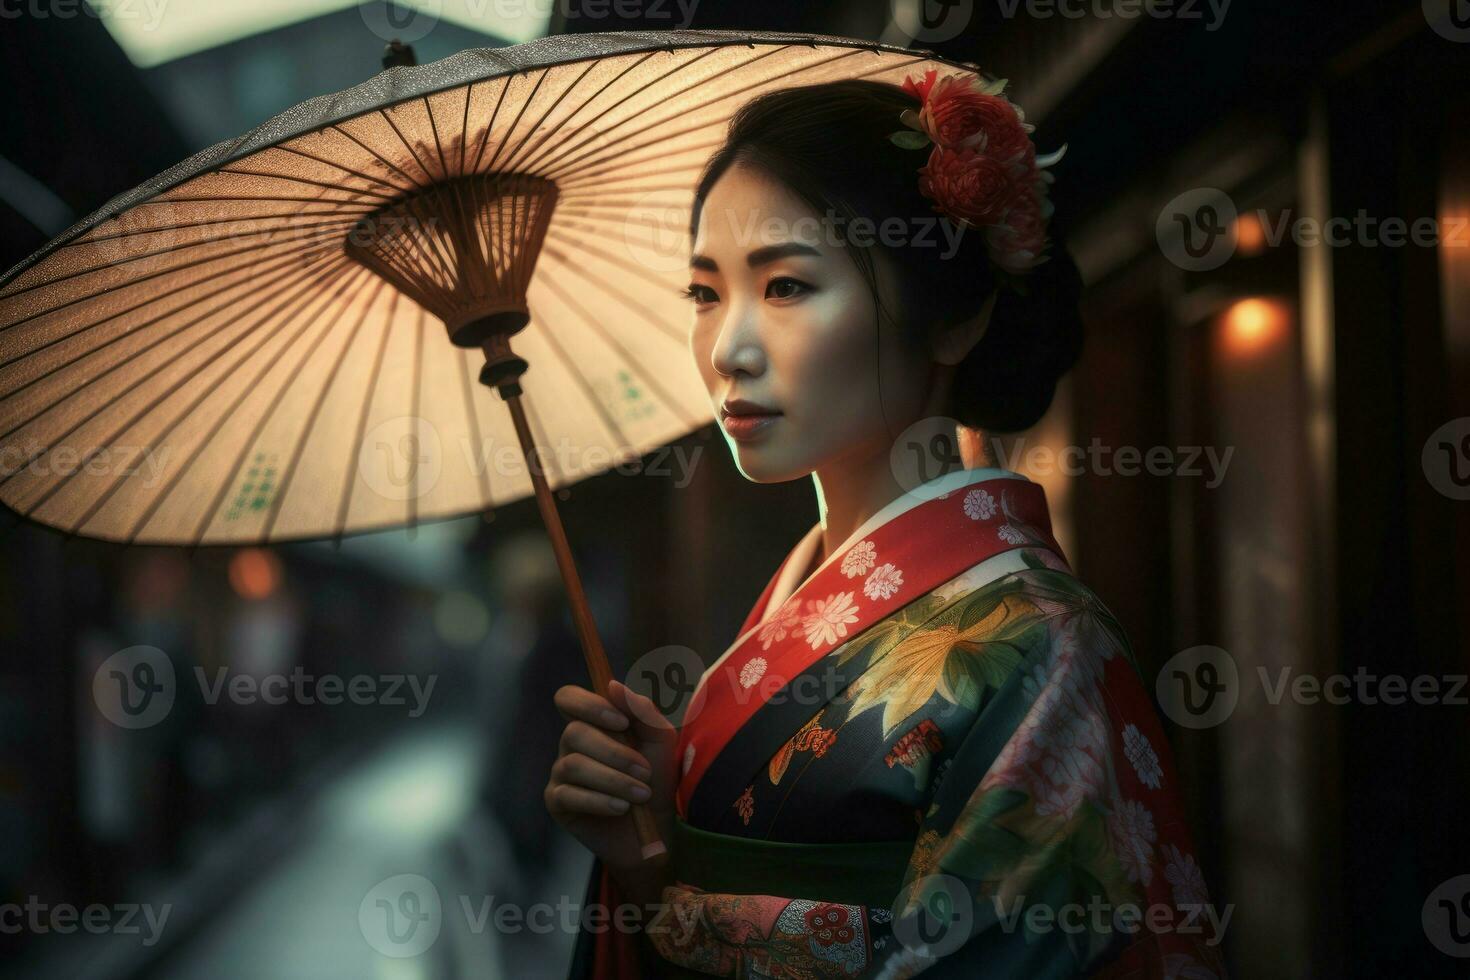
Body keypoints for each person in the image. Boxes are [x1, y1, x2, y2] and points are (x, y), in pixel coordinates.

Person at [547, 71, 1229, 978]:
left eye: (786, 285)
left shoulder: (1046, 647)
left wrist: (679, 908)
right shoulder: (804, 603)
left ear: (953, 315)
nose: (728, 349)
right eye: (705, 293)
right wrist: (657, 831)